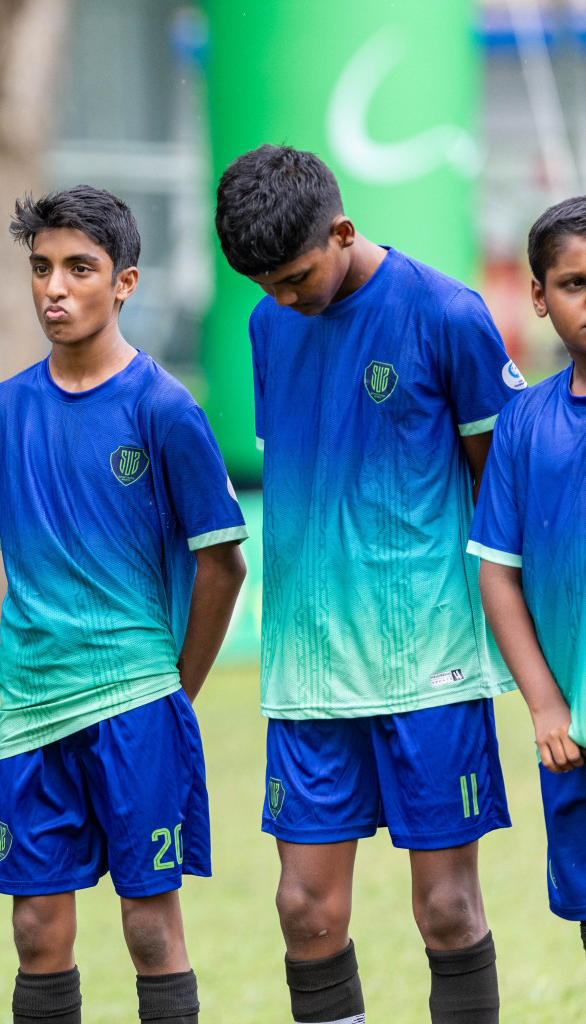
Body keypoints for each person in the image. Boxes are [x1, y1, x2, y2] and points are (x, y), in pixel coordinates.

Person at [214, 144, 523, 1024]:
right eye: (264, 282)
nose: (281, 297)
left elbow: (499, 488)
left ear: (343, 232)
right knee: (304, 912)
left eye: (295, 275)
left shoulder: (445, 314)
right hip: (307, 675)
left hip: (428, 666)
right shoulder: (268, 325)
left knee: (448, 909)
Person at [0, 186, 247, 1024]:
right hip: (31, 711)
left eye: (79, 269)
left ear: (123, 283)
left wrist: (175, 690)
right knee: (35, 930)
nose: (55, 287)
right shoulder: (3, 409)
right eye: (42, 268)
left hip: (136, 705)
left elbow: (225, 565)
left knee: (149, 927)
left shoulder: (163, 409)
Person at [469, 194, 586, 957]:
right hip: (575, 731)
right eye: (575, 284)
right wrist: (546, 704)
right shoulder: (523, 422)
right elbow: (498, 572)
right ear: (539, 297)